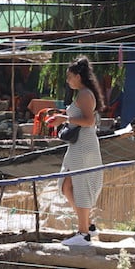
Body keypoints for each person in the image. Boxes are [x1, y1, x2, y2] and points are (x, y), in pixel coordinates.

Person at [45, 56, 105, 245]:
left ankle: (83, 233)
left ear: (78, 76)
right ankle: (87, 224)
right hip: (77, 147)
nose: (68, 81)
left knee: (80, 186)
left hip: (84, 146)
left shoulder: (85, 94)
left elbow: (89, 121)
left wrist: (64, 120)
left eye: (70, 77)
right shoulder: (82, 94)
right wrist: (61, 117)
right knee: (65, 185)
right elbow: (78, 116)